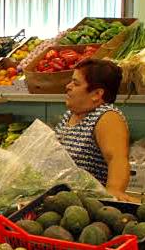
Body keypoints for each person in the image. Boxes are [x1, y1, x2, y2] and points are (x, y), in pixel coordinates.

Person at [55, 59, 134, 201]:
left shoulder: (107, 117)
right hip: (65, 201)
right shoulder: (70, 115)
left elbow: (116, 159)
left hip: (88, 207)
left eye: (76, 83)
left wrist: (113, 192)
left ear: (97, 93)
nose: (68, 86)